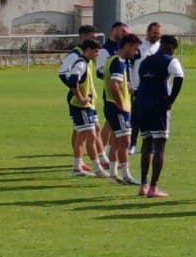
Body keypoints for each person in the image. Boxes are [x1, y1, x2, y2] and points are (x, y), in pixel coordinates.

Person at [133, 34, 185, 198]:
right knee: (159, 146)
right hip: (158, 106)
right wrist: (171, 99)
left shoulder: (146, 61)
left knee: (146, 145)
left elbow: (141, 81)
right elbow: (179, 77)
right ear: (171, 46)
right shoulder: (170, 60)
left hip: (142, 104)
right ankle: (153, 188)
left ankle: (143, 184)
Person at [60, 35, 108, 177]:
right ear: (87, 50)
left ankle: (76, 167)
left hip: (89, 106)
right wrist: (81, 98)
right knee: (91, 136)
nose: (97, 54)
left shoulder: (88, 63)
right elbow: (72, 81)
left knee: (82, 136)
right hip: (81, 107)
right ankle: (98, 168)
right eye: (96, 51)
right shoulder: (80, 64)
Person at [103, 32, 140, 184]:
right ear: (127, 46)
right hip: (118, 108)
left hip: (111, 106)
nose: (136, 52)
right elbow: (114, 85)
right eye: (135, 49)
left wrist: (129, 89)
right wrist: (121, 104)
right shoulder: (118, 62)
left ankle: (113, 173)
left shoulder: (111, 60)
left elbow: (116, 83)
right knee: (125, 141)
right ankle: (126, 175)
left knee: (116, 142)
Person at [95, 21, 130, 168]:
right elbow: (99, 71)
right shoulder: (105, 50)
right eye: (123, 32)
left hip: (125, 92)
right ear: (114, 30)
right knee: (110, 124)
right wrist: (116, 80)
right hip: (112, 91)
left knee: (114, 125)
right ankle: (101, 155)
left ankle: (108, 154)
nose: (125, 35)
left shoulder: (124, 49)